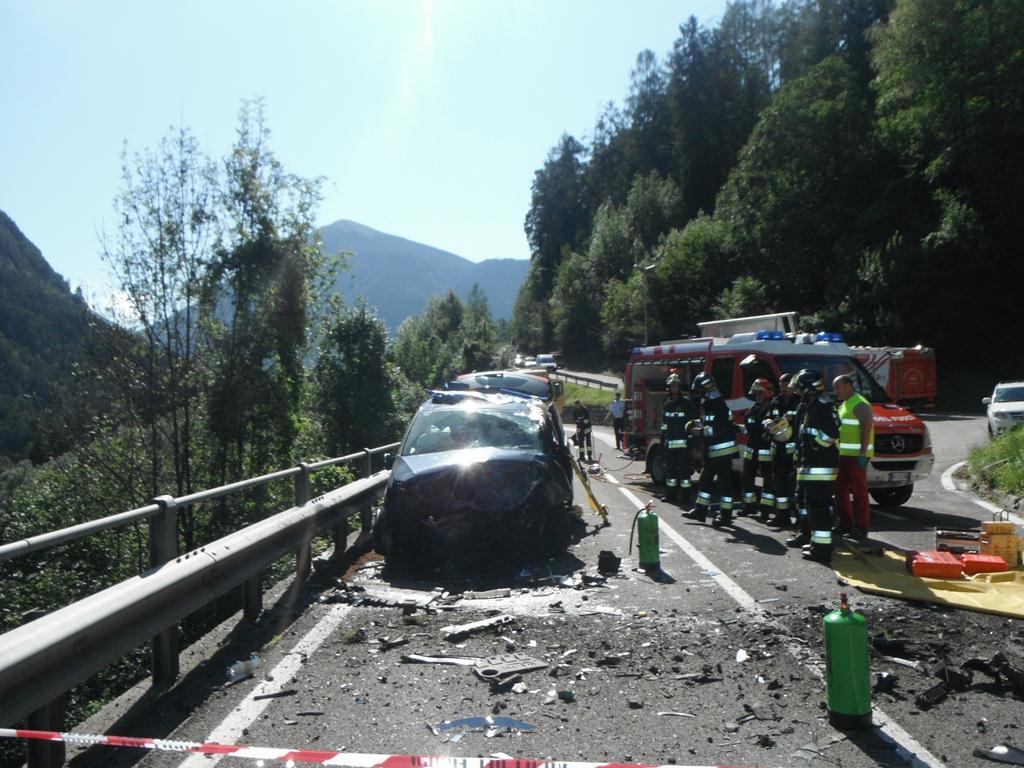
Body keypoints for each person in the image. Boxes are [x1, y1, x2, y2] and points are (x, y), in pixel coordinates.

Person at [791, 369, 840, 563]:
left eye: (800, 389)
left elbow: (831, 434)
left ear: (809, 389)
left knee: (818, 509)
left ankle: (821, 550)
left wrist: (815, 445)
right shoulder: (813, 406)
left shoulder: (821, 407)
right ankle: (818, 544)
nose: (798, 393)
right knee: (814, 508)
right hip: (814, 466)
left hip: (820, 467)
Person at [687, 372, 738, 528]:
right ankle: (700, 510)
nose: (700, 394)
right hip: (713, 453)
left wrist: (698, 432)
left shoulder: (719, 405)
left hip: (721, 453)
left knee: (724, 485)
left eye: (700, 390)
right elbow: (708, 422)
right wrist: (695, 422)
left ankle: (725, 516)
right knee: (705, 481)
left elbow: (717, 430)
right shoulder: (712, 403)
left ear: (705, 388)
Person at [833, 374, 874, 539]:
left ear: (848, 385)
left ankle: (861, 528)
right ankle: (845, 524)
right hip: (843, 455)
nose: (835, 391)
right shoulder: (844, 405)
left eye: (838, 386)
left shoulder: (860, 404)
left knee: (859, 492)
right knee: (840, 490)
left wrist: (863, 454)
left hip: (857, 456)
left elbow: (866, 430)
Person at [765, 373, 800, 528]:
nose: (783, 387)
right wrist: (767, 423)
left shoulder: (799, 402)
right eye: (781, 384)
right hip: (777, 452)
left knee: (795, 487)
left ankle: (800, 520)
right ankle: (782, 517)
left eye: (786, 384)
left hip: (792, 454)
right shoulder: (776, 401)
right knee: (779, 486)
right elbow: (767, 417)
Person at [660, 373, 698, 507]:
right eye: (672, 386)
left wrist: (692, 440)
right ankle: (671, 496)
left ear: (679, 387)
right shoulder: (667, 403)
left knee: (684, 473)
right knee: (670, 472)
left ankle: (685, 498)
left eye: (676, 385)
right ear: (669, 387)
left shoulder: (686, 402)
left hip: (684, 445)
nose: (674, 388)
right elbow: (664, 425)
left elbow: (695, 420)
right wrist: (663, 441)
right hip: (670, 444)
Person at [739, 378, 775, 519]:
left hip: (767, 451)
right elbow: (748, 429)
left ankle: (765, 511)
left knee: (768, 482)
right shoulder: (751, 411)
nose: (758, 396)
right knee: (747, 479)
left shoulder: (773, 411)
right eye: (756, 394)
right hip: (751, 450)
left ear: (767, 394)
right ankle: (749, 507)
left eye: (760, 393)